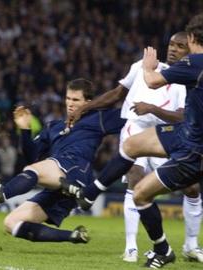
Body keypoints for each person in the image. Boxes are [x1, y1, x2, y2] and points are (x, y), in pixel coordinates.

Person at [62, 14, 203, 268]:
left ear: (192, 39)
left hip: (192, 145)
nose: (173, 49)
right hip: (181, 134)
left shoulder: (192, 64)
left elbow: (152, 81)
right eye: (171, 44)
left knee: (141, 194)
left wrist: (149, 67)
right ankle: (92, 195)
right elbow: (120, 92)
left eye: (181, 44)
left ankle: (164, 249)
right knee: (131, 146)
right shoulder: (187, 67)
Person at [0, 78, 125, 244]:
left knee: (34, 169)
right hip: (58, 185)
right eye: (68, 98)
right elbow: (31, 157)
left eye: (76, 100)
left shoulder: (98, 118)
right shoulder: (53, 127)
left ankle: (2, 192)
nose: (70, 103)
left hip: (76, 171)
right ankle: (73, 236)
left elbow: (132, 118)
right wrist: (25, 130)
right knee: (11, 223)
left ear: (88, 102)